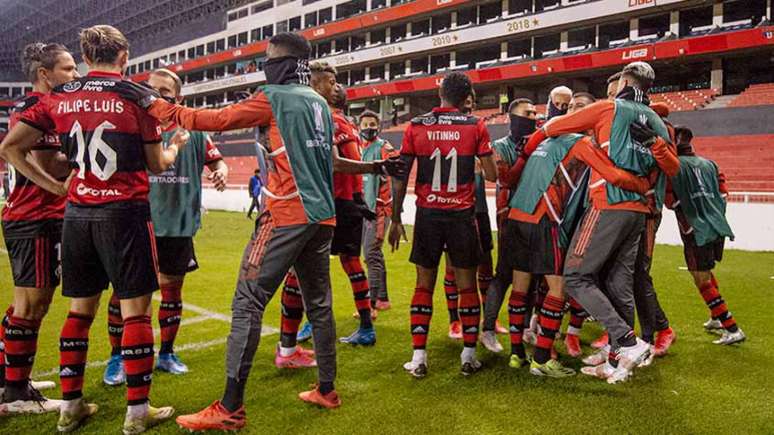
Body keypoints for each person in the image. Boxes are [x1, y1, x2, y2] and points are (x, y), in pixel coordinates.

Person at [118, 33, 404, 429]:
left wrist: (155, 104)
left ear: (284, 64)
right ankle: (326, 389)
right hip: (322, 217)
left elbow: (214, 121)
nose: (264, 64)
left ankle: (231, 406)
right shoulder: (320, 105)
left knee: (247, 303)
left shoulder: (274, 96)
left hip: (286, 213)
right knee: (319, 303)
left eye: (269, 58)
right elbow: (331, 160)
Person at [0, 25, 183, 433]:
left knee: (79, 310)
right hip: (124, 212)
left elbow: (10, 146)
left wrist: (61, 185)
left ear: (85, 59)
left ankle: (71, 407)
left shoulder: (59, 98)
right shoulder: (136, 96)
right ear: (124, 57)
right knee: (136, 310)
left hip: (76, 214)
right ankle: (137, 413)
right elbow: (156, 165)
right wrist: (173, 149)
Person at [509, 61, 680, 384]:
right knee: (619, 283)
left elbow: (551, 128)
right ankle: (617, 361)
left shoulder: (606, 109)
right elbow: (673, 169)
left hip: (607, 205)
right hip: (639, 212)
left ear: (626, 81)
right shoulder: (656, 121)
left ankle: (627, 342)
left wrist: (527, 153)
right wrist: (654, 149)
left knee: (575, 277)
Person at [101, 68, 229, 386]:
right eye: (151, 89)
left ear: (178, 98)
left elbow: (217, 160)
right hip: (136, 221)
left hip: (179, 224)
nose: (156, 96)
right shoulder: (132, 125)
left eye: (164, 92)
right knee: (124, 293)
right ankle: (117, 358)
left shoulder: (194, 131)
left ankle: (167, 354)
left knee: (172, 290)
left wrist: (221, 171)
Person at [389, 72, 497, 378]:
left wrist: (396, 218)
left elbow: (400, 175)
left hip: (427, 215)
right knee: (467, 286)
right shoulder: (475, 125)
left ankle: (419, 358)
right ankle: (468, 356)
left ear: (440, 96)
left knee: (423, 285)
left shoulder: (415, 125)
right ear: (466, 99)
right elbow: (491, 176)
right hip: (462, 215)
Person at [0, 42, 78, 415]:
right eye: (67, 69)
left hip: (37, 217)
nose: (75, 75)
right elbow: (28, 155)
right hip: (35, 218)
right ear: (45, 75)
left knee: (26, 305)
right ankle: (15, 394)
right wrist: (61, 182)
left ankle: (10, 378)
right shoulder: (34, 108)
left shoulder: (37, 109)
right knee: (31, 306)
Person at [667, 126, 745, 345]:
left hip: (695, 229)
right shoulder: (710, 164)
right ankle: (716, 318)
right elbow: (723, 194)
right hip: (717, 226)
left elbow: (670, 202)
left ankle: (733, 328)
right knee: (707, 272)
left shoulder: (673, 166)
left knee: (701, 278)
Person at [478, 98, 537, 353]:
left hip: (536, 215)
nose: (533, 117)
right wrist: (527, 153)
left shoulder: (539, 143)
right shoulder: (499, 146)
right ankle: (488, 328)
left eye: (535, 113)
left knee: (532, 274)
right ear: (513, 118)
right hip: (509, 217)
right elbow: (505, 178)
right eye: (527, 113)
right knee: (503, 273)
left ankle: (523, 328)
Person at [359, 109, 398, 311]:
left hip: (379, 211)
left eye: (372, 124)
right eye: (364, 125)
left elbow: (399, 173)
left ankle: (370, 305)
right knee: (375, 255)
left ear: (379, 127)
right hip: (365, 211)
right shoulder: (360, 148)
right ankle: (382, 299)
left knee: (371, 254)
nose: (368, 128)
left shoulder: (384, 148)